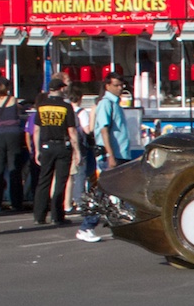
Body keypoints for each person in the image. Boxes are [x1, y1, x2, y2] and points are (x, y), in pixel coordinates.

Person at [77, 73, 137, 242]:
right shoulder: (106, 104)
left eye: (121, 86)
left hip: (121, 153)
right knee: (106, 191)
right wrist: (110, 155)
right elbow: (104, 130)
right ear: (107, 86)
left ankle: (121, 225)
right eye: (116, 85)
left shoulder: (116, 104)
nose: (120, 89)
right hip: (112, 154)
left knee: (120, 191)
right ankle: (87, 226)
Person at [30, 84, 79, 226]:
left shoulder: (41, 106)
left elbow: (37, 130)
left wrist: (37, 150)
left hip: (46, 146)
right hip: (62, 146)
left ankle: (39, 215)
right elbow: (72, 131)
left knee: (44, 180)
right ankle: (57, 215)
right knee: (60, 181)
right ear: (61, 89)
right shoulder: (66, 107)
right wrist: (77, 151)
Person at [0, 86, 28, 211]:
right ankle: (16, 202)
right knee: (14, 168)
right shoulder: (13, 100)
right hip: (13, 134)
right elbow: (21, 112)